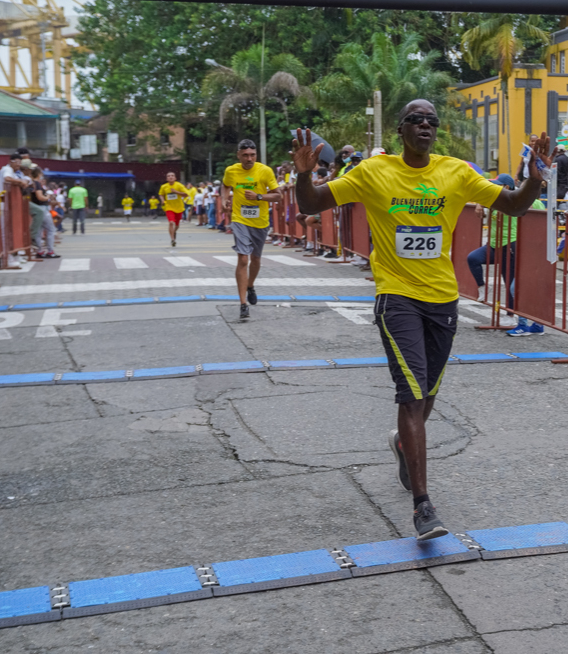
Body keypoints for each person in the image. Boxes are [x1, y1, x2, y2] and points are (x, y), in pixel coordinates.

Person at [290, 100, 551, 540]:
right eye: (417, 120)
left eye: (432, 121)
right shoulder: (375, 172)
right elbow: (314, 201)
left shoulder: (456, 173)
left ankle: (400, 442)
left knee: (427, 391)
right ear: (401, 130)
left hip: (442, 298)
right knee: (410, 395)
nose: (425, 126)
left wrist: (534, 177)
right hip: (396, 297)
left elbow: (512, 206)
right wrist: (303, 173)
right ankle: (423, 506)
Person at [221, 139, 282, 320]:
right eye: (245, 155)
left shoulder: (265, 171)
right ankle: (243, 304)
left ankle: (250, 286)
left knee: (255, 259)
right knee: (243, 259)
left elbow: (279, 195)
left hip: (260, 221)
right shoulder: (231, 171)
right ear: (239, 155)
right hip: (239, 219)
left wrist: (259, 196)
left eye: (252, 155)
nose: (249, 159)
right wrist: (225, 199)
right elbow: (225, 185)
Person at [467, 173, 519, 313]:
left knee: (508, 280)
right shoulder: (495, 200)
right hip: (493, 245)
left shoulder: (513, 199)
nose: (494, 188)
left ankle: (511, 314)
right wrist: (479, 204)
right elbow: (482, 197)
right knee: (473, 258)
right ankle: (482, 288)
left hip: (509, 244)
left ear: (507, 187)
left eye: (498, 185)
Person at [159, 172, 189, 246]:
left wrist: (176, 192)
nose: (170, 177)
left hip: (179, 208)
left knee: (177, 225)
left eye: (172, 176)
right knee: (171, 222)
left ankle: (174, 231)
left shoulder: (179, 185)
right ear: (166, 178)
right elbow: (161, 194)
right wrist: (162, 200)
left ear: (175, 178)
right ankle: (172, 239)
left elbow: (186, 194)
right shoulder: (164, 186)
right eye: (168, 176)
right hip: (169, 207)